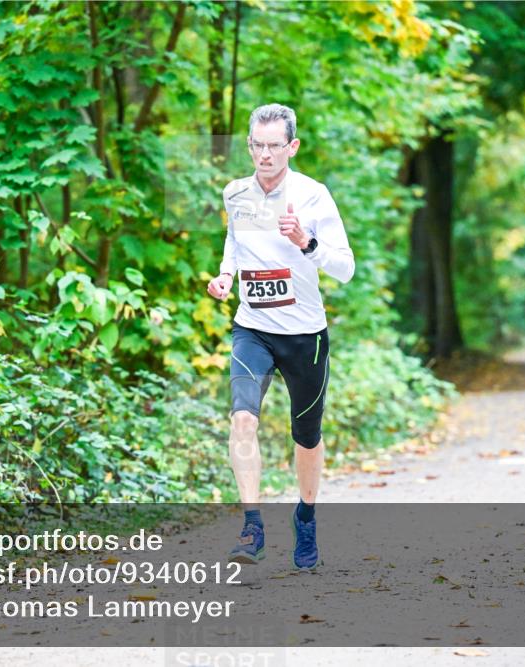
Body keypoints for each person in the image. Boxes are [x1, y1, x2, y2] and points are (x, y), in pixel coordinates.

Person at [206, 103, 355, 570]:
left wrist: (306, 244)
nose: (264, 155)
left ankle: (306, 518)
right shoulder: (236, 193)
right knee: (242, 419)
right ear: (248, 144)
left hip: (304, 335)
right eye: (256, 145)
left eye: (274, 146)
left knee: (306, 436)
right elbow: (235, 241)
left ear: (291, 146)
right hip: (253, 327)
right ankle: (252, 525)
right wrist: (226, 275)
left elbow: (346, 268)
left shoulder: (313, 196)